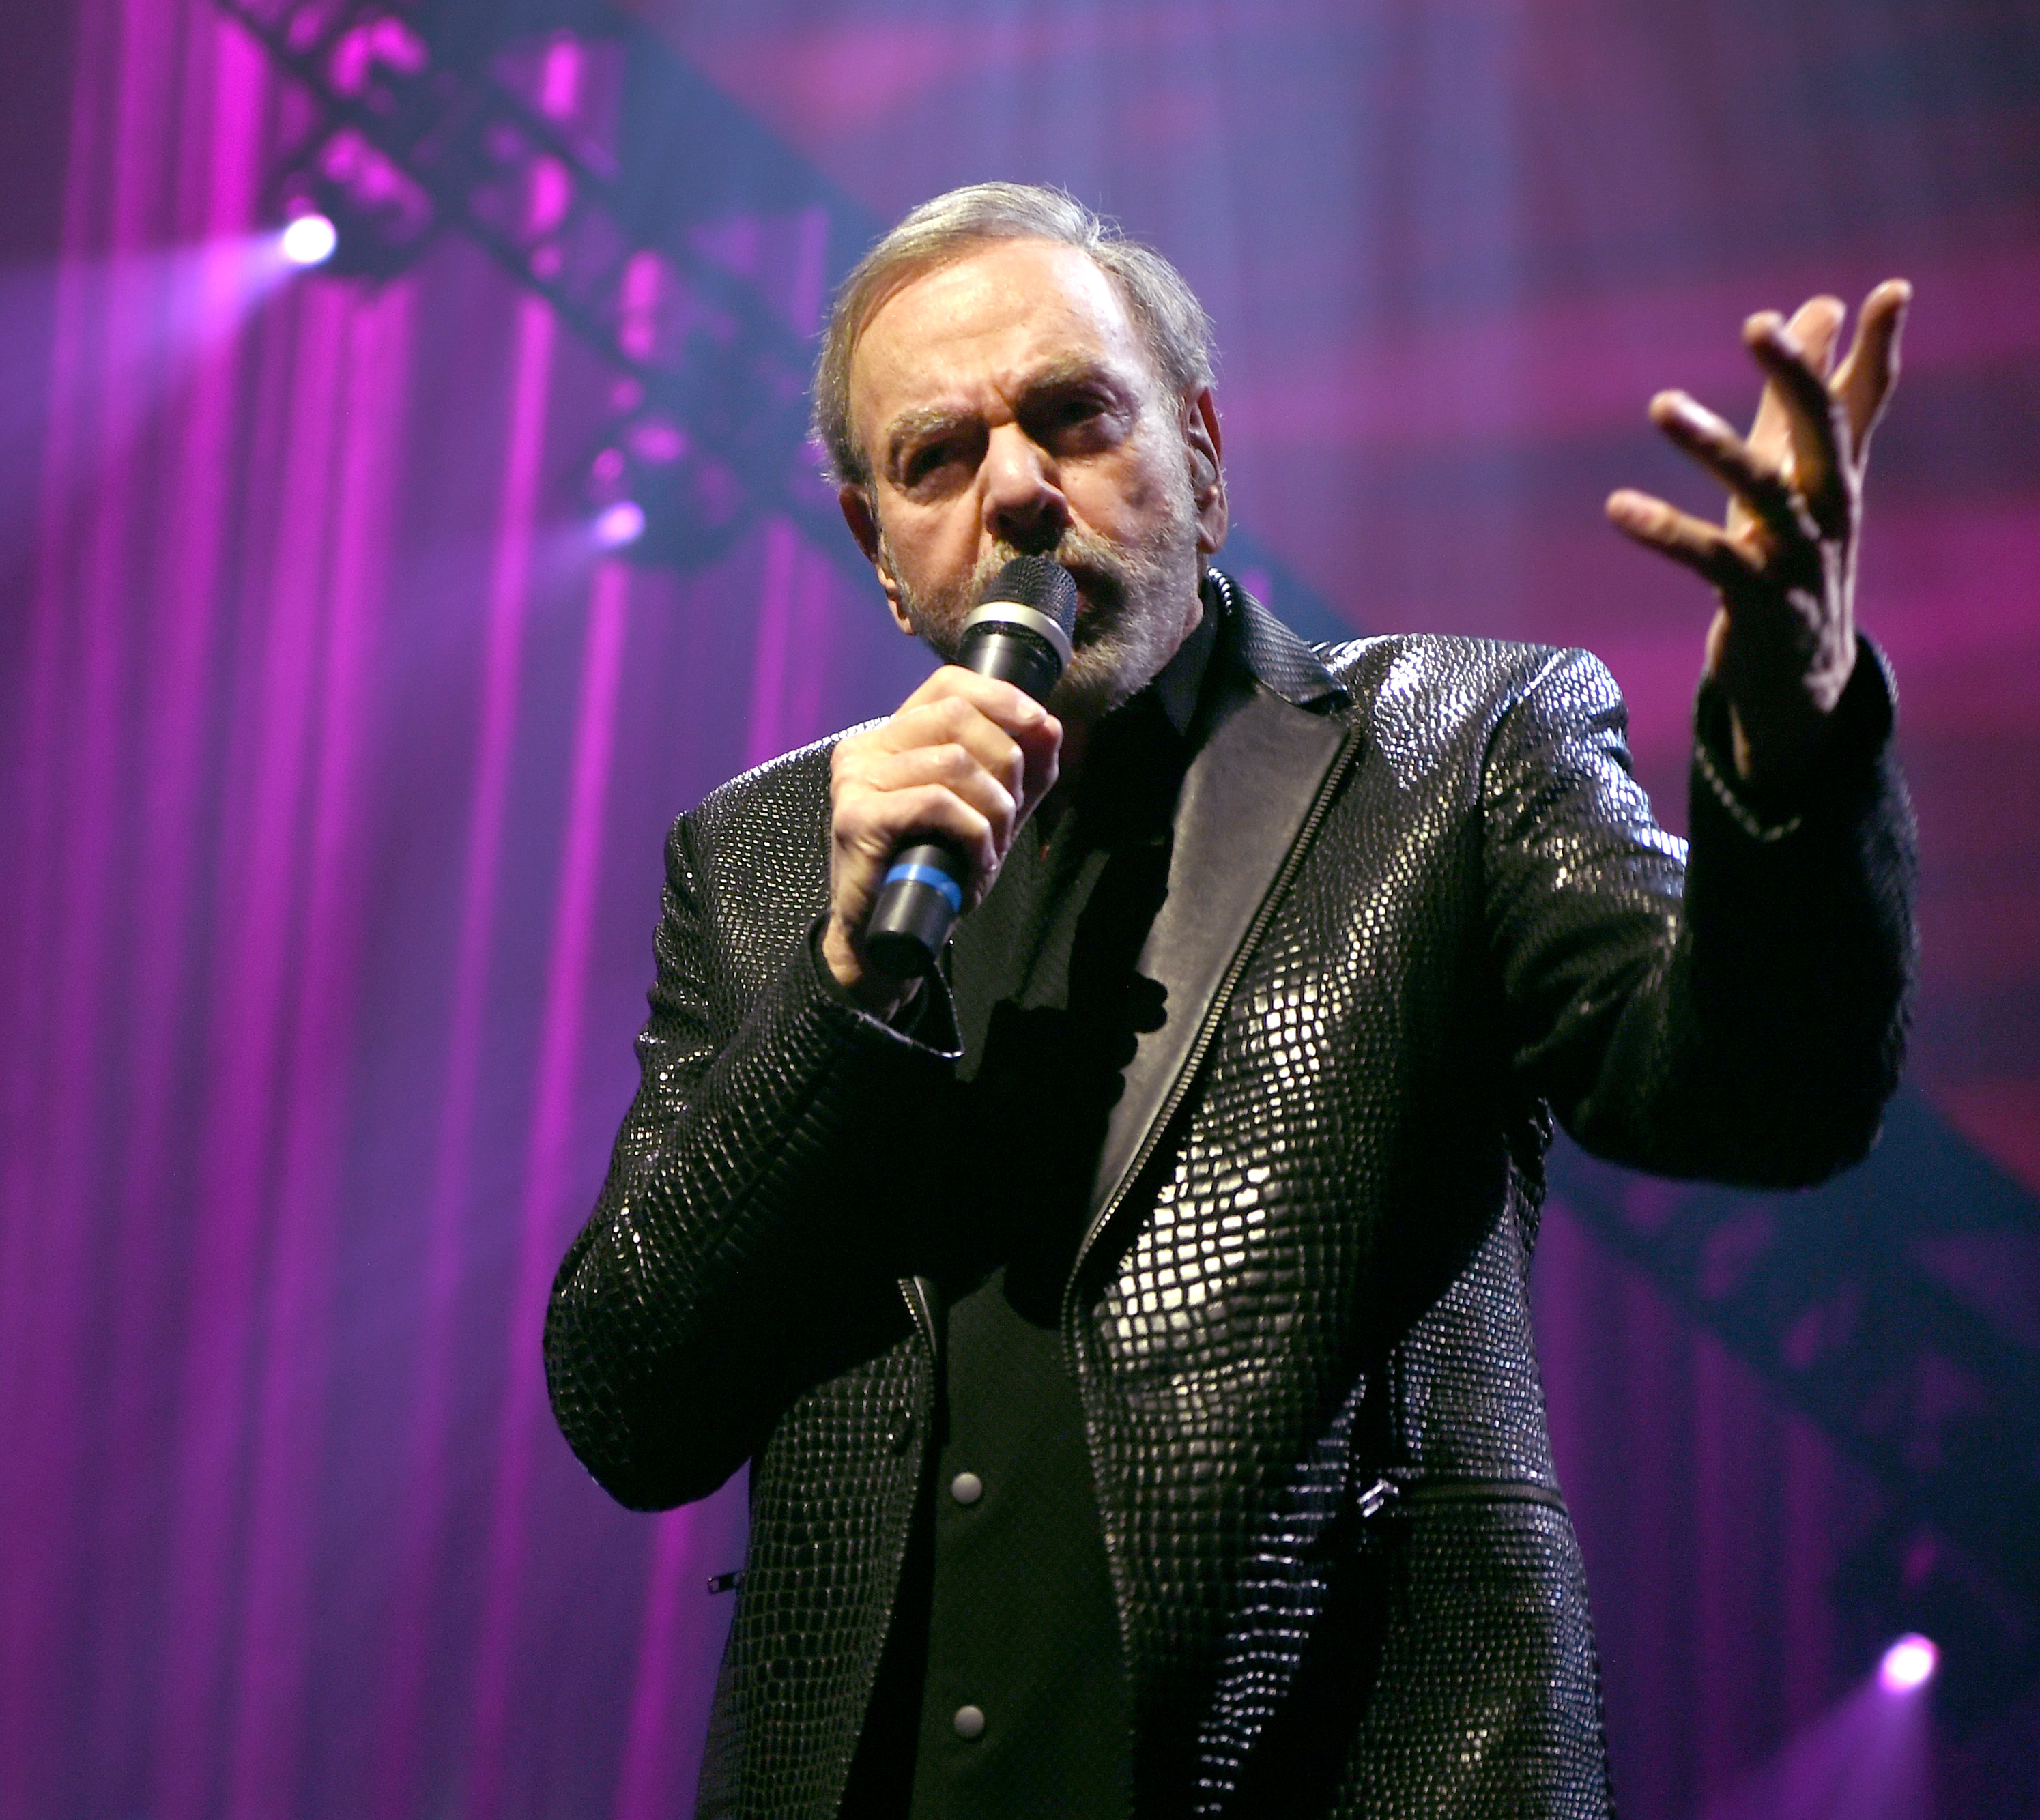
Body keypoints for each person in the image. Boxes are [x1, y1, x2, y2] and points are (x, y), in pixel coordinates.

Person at [545, 182, 1914, 1820]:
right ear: (878, 548)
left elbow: (1758, 1089)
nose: (1017, 493)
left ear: (1199, 455)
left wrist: (1790, 727)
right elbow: (630, 1402)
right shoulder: (769, 861)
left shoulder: (1453, 751)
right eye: (938, 457)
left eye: (1073, 417)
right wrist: (841, 980)